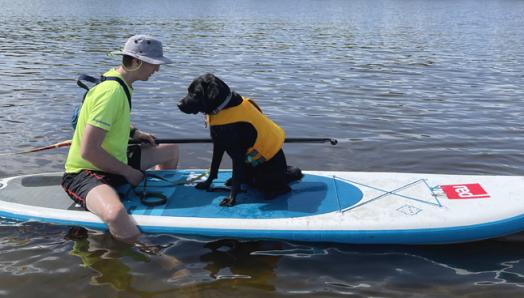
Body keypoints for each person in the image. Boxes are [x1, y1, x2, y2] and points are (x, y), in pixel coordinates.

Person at [61, 35, 179, 244]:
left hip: (116, 159)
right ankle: (160, 262)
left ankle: (157, 203)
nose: (157, 70)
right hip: (86, 172)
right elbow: (88, 151)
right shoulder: (111, 92)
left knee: (170, 150)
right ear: (136, 62)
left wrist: (135, 133)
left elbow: (110, 121)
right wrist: (129, 172)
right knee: (115, 214)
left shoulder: (118, 81)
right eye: (153, 65)